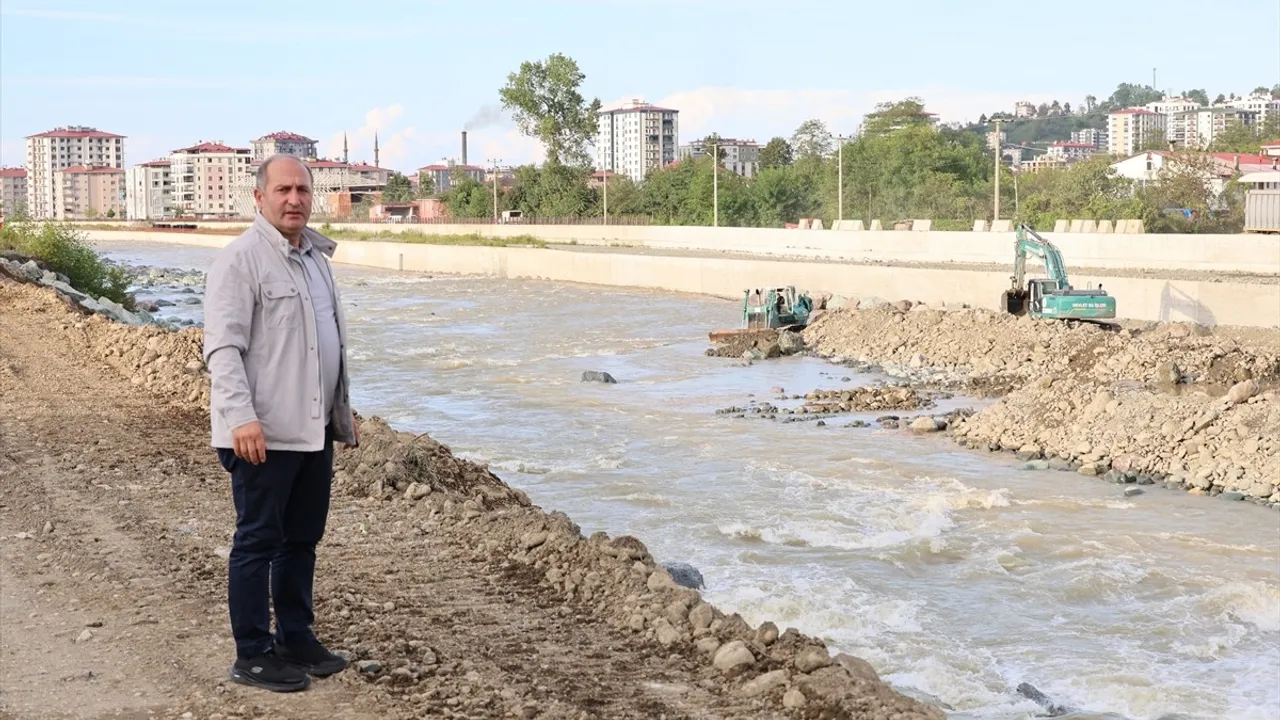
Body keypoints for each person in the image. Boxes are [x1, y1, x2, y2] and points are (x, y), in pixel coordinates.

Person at [203, 153, 359, 693]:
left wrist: (339, 412)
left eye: (303, 190)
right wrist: (241, 417)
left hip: (312, 430)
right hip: (262, 435)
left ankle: (296, 636)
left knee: (303, 540)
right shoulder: (241, 261)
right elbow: (223, 350)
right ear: (259, 197)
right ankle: (252, 652)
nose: (294, 199)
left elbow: (322, 341)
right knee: (258, 540)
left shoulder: (315, 257)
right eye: (283, 190)